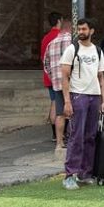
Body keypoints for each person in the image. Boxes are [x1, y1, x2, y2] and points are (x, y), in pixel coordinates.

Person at [59, 18, 104, 190]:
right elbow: (64, 76)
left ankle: (85, 173)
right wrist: (67, 101)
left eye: (84, 29)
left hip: (94, 96)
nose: (81, 31)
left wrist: (103, 100)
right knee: (76, 136)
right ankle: (69, 175)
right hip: (78, 96)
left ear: (91, 31)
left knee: (90, 136)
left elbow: (101, 77)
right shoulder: (72, 49)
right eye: (79, 29)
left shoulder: (98, 51)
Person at [42, 14, 72, 157]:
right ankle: (73, 141)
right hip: (72, 84)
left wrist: (54, 77)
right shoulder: (72, 42)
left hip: (57, 84)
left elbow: (46, 65)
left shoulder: (50, 43)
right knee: (74, 114)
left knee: (60, 113)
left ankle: (59, 143)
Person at [40, 12, 63, 142]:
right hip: (58, 76)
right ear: (59, 21)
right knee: (58, 104)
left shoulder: (45, 38)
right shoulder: (60, 37)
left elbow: (43, 58)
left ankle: (54, 132)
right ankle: (58, 134)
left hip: (48, 75)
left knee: (53, 102)